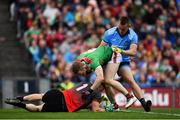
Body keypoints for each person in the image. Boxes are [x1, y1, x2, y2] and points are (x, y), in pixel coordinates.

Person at [99, 16, 152, 112]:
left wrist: (121, 51)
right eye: (120, 28)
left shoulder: (133, 35)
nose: (121, 31)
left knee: (131, 81)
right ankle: (114, 105)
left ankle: (144, 104)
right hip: (111, 61)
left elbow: (133, 52)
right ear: (118, 24)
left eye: (123, 29)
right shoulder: (110, 32)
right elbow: (101, 48)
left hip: (123, 61)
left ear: (129, 26)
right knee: (106, 83)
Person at [71, 46, 136, 109]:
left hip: (113, 54)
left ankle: (129, 97)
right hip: (102, 56)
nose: (82, 75)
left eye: (81, 73)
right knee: (105, 84)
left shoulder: (93, 62)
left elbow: (100, 78)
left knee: (108, 80)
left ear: (82, 68)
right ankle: (115, 106)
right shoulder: (80, 60)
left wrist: (90, 90)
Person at [5, 82, 105, 112]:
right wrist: (106, 110)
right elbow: (95, 109)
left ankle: (20, 98)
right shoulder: (97, 93)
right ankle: (20, 104)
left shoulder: (86, 83)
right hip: (64, 106)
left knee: (41, 96)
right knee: (38, 109)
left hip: (60, 94)